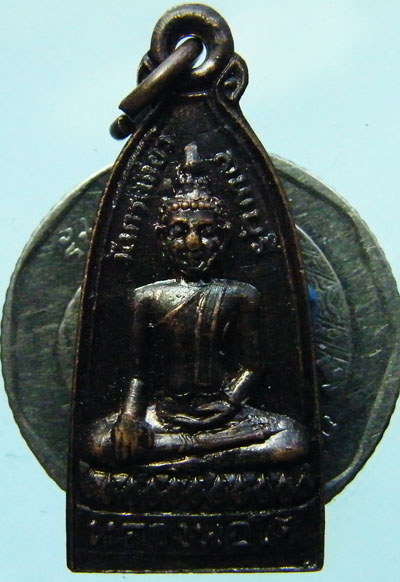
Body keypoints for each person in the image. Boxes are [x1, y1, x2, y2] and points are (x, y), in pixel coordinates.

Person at [86, 145, 308, 472]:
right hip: (164, 414)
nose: (193, 244)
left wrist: (229, 403)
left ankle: (181, 456)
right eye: (180, 232)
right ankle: (205, 455)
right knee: (96, 440)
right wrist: (130, 418)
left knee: (293, 437)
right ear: (162, 237)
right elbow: (136, 373)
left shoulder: (241, 295)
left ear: (223, 238)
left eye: (206, 232)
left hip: (225, 414)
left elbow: (252, 366)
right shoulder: (147, 297)